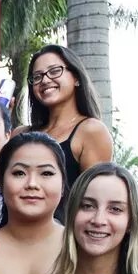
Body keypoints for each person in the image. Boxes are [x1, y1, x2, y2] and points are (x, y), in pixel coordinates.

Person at [18, 44, 114, 219]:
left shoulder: (90, 131)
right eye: (37, 77)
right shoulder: (20, 134)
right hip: (14, 231)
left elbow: (95, 200)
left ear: (76, 78)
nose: (45, 80)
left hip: (64, 233)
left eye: (55, 71)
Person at [0, 133, 66, 274]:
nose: (32, 184)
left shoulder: (81, 247)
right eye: (19, 173)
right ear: (0, 181)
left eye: (46, 173)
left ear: (63, 184)